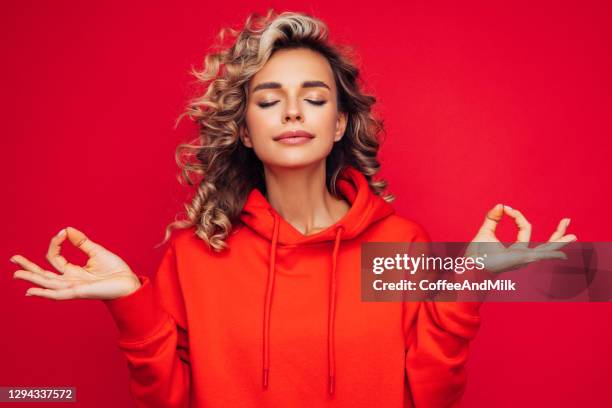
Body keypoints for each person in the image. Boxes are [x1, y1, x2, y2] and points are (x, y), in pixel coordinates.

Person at [10, 9, 576, 408]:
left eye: (313, 97)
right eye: (268, 99)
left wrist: (465, 283)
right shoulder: (197, 255)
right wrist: (132, 305)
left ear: (338, 124)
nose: (291, 113)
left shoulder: (398, 248)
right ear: (246, 132)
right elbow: (168, 402)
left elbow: (432, 397)